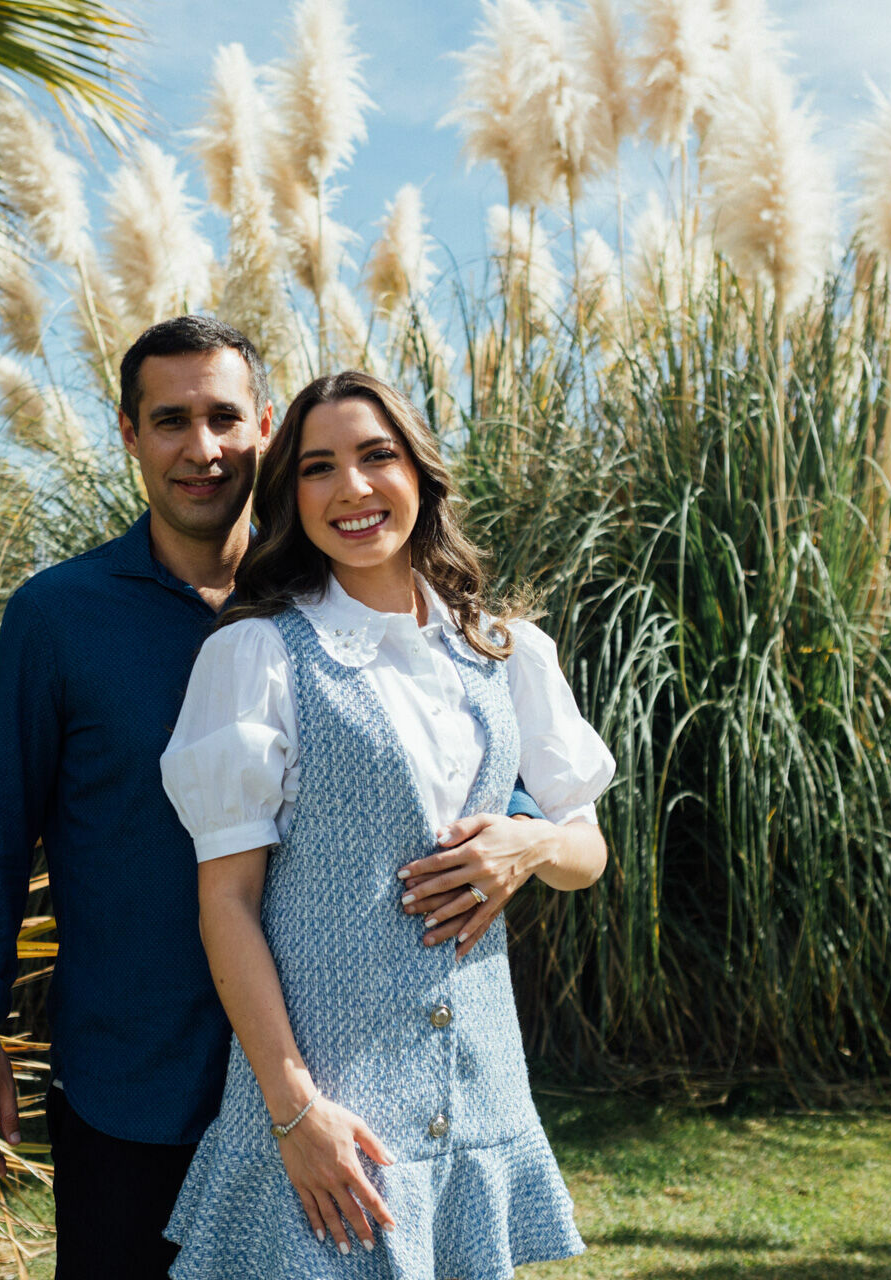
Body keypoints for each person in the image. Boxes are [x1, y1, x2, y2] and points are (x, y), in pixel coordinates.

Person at [0, 319, 594, 1280]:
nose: (201, 449)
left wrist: (523, 843)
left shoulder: (339, 602)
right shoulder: (60, 617)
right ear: (129, 434)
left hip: (343, 1073)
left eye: (223, 418)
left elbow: (503, 786)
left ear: (265, 431)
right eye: (169, 421)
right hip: (139, 1076)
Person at [157, 370, 614, 1278]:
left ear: (421, 475)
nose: (353, 490)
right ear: (291, 497)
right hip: (329, 1127)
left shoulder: (506, 649)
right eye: (319, 468)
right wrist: (296, 1113)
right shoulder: (257, 655)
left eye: (377, 457)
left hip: (478, 1104)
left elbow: (585, 851)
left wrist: (531, 844)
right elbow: (228, 906)